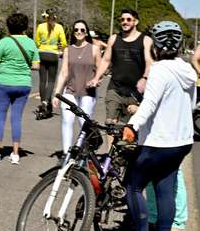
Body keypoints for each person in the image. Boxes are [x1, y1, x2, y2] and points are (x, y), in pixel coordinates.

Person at [113, 21, 195, 231]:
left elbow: (149, 104)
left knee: (133, 185)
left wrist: (132, 125)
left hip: (159, 141)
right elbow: (188, 105)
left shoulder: (159, 69)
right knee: (164, 188)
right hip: (181, 141)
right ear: (179, 45)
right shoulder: (188, 70)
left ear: (155, 47)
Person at [0, 12, 39, 164]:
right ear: (25, 27)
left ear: (9, 26)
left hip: (5, 83)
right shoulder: (31, 43)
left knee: (0, 117)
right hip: (23, 84)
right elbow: (36, 66)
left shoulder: (4, 42)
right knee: (16, 118)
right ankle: (15, 154)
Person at [87, 9, 153, 131]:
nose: (125, 22)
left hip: (136, 92)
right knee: (110, 125)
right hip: (115, 88)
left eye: (128, 19)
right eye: (122, 20)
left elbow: (150, 62)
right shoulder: (113, 39)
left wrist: (144, 79)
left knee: (130, 128)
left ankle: (126, 148)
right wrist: (96, 78)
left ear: (136, 21)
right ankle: (111, 150)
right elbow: (106, 60)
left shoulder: (145, 40)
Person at [52, 20, 101, 153]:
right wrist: (57, 93)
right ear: (73, 32)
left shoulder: (94, 49)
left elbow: (101, 68)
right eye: (76, 30)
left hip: (87, 92)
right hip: (70, 90)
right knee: (67, 121)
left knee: (83, 123)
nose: (79, 32)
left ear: (86, 32)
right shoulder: (68, 50)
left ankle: (84, 153)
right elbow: (63, 72)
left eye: (82, 30)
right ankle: (66, 154)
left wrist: (97, 79)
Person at [34, 9, 67, 119]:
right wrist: (60, 50)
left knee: (42, 80)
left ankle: (43, 101)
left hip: (42, 53)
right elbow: (64, 43)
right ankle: (47, 102)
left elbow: (36, 42)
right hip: (53, 54)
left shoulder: (40, 26)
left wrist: (41, 45)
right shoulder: (59, 27)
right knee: (52, 80)